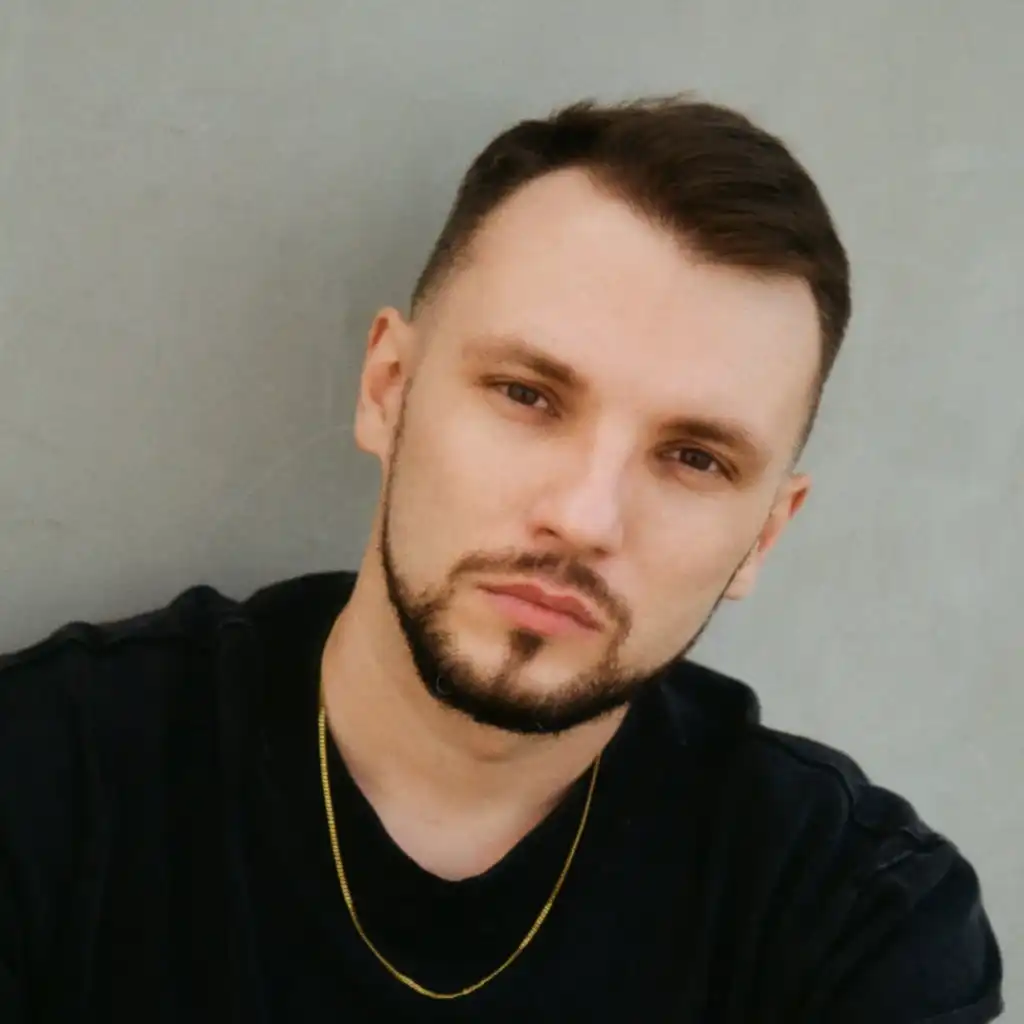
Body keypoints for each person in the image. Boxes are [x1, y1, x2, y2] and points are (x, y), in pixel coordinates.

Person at [0, 95, 1004, 1022]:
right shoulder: (49, 781)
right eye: (528, 396)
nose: (584, 517)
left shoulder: (853, 915)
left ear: (763, 535)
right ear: (388, 389)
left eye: (694, 458)